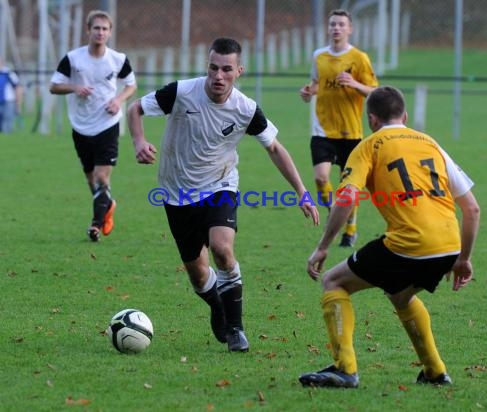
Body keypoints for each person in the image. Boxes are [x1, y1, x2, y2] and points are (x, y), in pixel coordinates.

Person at [127, 37, 319, 352]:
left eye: (226, 69)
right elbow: (135, 109)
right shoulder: (181, 92)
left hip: (220, 184)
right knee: (198, 274)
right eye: (213, 68)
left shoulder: (245, 108)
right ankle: (219, 307)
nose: (218, 76)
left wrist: (302, 192)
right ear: (207, 66)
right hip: (176, 192)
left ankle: (236, 330)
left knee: (221, 249)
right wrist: (138, 141)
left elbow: (274, 147)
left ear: (238, 71)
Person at [299, 86, 480, 388]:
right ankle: (435, 371)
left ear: (371, 119)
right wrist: (463, 259)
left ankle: (345, 368)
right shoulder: (431, 144)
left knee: (333, 281)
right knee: (400, 295)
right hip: (449, 245)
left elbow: (346, 198)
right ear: (405, 116)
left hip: (409, 244)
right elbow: (472, 209)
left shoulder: (369, 145)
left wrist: (323, 247)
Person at [49, 10, 137, 242]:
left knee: (101, 177)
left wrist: (118, 101)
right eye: (96, 28)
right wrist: (75, 88)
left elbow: (131, 85)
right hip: (80, 126)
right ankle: (108, 204)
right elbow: (54, 86)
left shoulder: (117, 59)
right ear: (88, 30)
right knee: (91, 181)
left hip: (107, 124)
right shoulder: (73, 59)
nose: (100, 32)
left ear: (109, 32)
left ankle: (95, 225)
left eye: (105, 29)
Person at [299, 9, 378, 248]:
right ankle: (335, 213)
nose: (336, 28)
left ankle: (350, 227)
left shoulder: (359, 58)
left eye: (341, 25)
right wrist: (308, 91)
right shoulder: (319, 56)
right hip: (322, 129)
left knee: (348, 187)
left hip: (351, 132)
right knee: (321, 178)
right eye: (333, 24)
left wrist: (354, 83)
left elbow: (374, 90)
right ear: (328, 28)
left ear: (349, 29)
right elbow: (316, 84)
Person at [0, 57, 23, 133]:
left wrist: (18, 103)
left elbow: (18, 88)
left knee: (7, 123)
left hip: (8, 102)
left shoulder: (8, 73)